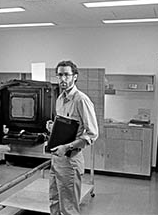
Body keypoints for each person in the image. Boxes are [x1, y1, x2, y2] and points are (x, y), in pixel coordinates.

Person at [47, 60, 98, 215]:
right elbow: (64, 127)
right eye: (60, 75)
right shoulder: (60, 99)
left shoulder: (81, 100)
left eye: (67, 75)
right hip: (56, 159)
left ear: (75, 77)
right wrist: (51, 128)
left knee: (68, 208)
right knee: (54, 202)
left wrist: (67, 147)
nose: (63, 79)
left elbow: (92, 134)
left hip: (70, 160)